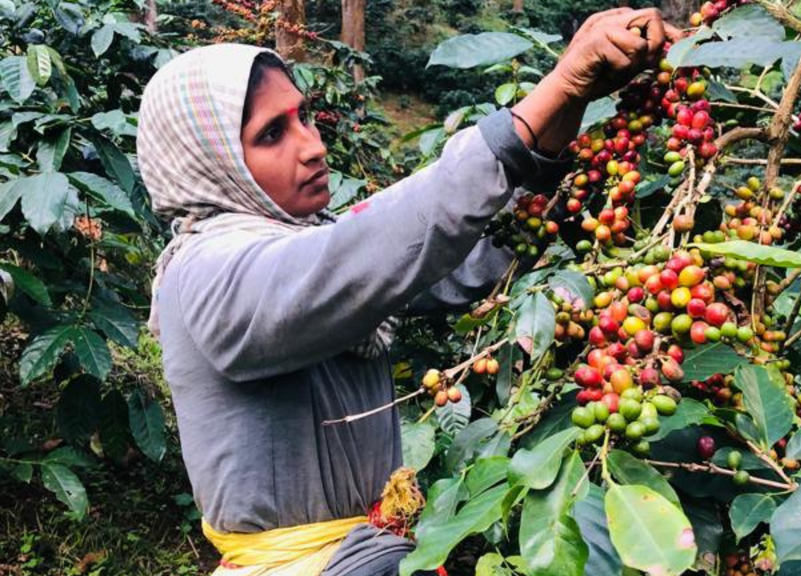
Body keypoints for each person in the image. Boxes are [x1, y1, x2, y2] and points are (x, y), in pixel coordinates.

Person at [137, 7, 677, 576]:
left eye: (303, 118)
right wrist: (557, 86)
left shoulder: (303, 242)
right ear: (210, 164)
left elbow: (463, 258)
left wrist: (575, 101)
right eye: (272, 133)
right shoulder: (208, 274)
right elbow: (376, 247)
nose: (311, 145)